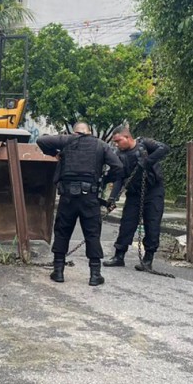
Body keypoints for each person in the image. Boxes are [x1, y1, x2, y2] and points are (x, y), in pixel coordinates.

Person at [36, 122, 122, 286]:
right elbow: (118, 166)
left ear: (75, 132)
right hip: (89, 198)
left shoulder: (66, 141)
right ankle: (95, 275)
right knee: (92, 234)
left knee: (62, 231)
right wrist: (104, 180)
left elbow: (41, 140)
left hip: (67, 197)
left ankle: (59, 272)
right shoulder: (100, 145)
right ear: (89, 132)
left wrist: (55, 153)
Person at [103, 126, 169, 273]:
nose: (116, 144)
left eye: (118, 141)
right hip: (133, 193)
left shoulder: (144, 144)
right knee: (127, 223)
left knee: (152, 224)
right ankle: (119, 256)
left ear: (127, 137)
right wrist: (113, 198)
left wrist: (147, 162)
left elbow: (164, 148)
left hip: (153, 191)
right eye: (115, 142)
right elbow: (119, 178)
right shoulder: (118, 155)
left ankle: (148, 260)